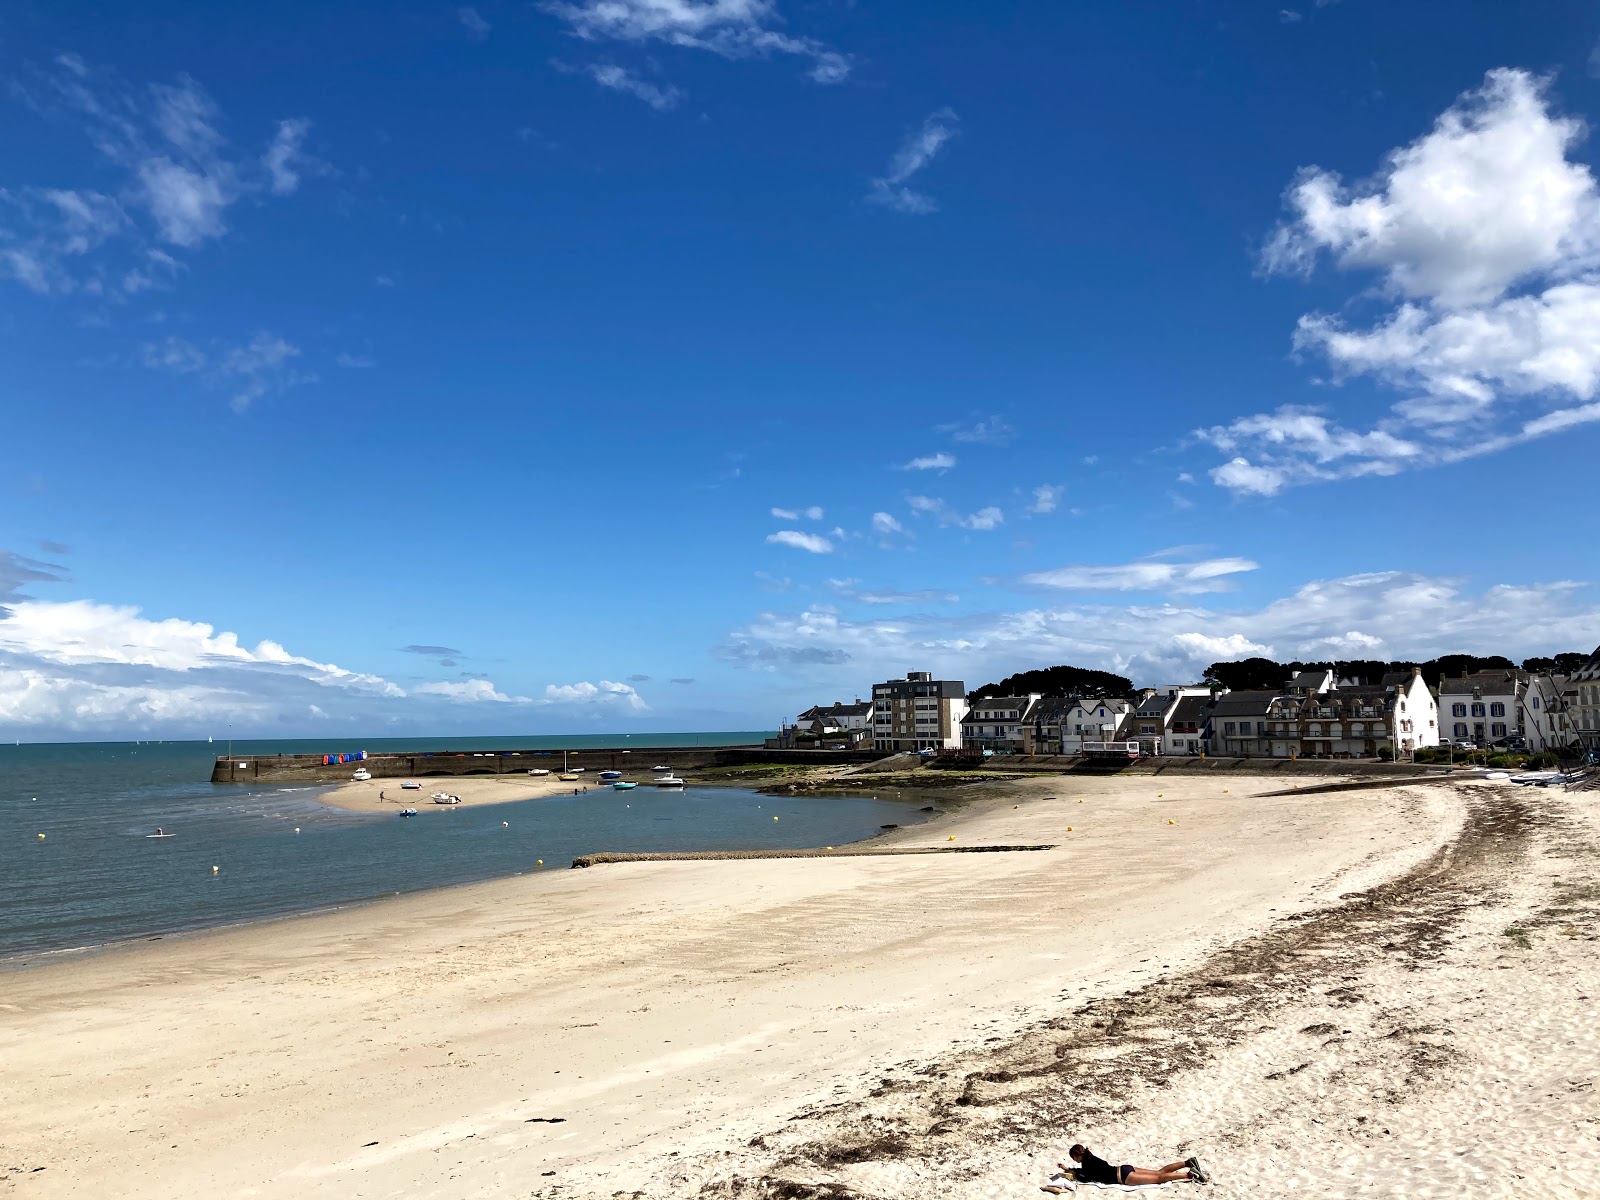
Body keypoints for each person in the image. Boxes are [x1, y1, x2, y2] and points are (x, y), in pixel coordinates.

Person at [1052, 1144, 1207, 1187]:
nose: (1075, 1161)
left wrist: (1072, 1173)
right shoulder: (1091, 1158)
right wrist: (1068, 1169)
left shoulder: (1086, 1164)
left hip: (1124, 1177)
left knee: (1159, 1178)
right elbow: (1085, 1171)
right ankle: (1188, 1162)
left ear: (1078, 1155)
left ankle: (1190, 1174)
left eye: (1074, 1158)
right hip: (1125, 1168)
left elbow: (1084, 1177)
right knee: (1158, 1172)